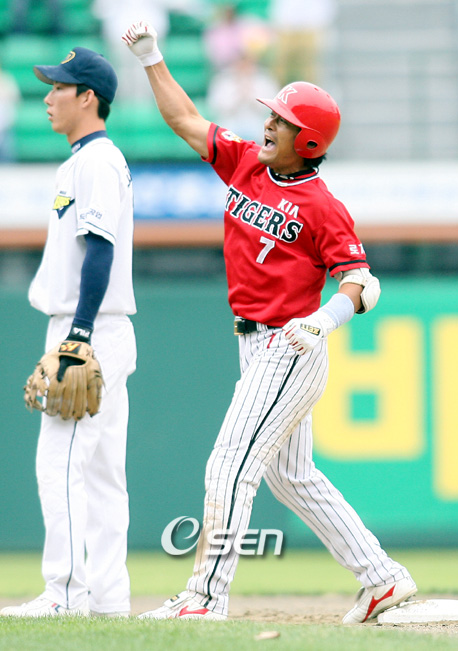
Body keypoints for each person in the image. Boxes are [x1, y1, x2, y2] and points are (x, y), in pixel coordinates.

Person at [122, 21, 417, 625]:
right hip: (254, 343)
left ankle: (206, 598)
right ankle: (382, 578)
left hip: (290, 344)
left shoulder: (323, 205)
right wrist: (152, 58)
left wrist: (323, 321)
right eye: (272, 115)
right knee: (292, 476)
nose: (268, 123)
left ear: (306, 141)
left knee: (230, 463)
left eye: (281, 120)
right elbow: (184, 120)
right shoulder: (246, 163)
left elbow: (362, 283)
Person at [1, 47, 136, 617]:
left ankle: (64, 594)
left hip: (88, 328)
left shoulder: (96, 162)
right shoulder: (85, 160)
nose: (48, 96)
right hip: (99, 327)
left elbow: (100, 249)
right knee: (101, 475)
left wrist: (77, 335)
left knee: (59, 463)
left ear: (88, 97)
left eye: (60, 87)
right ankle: (107, 599)